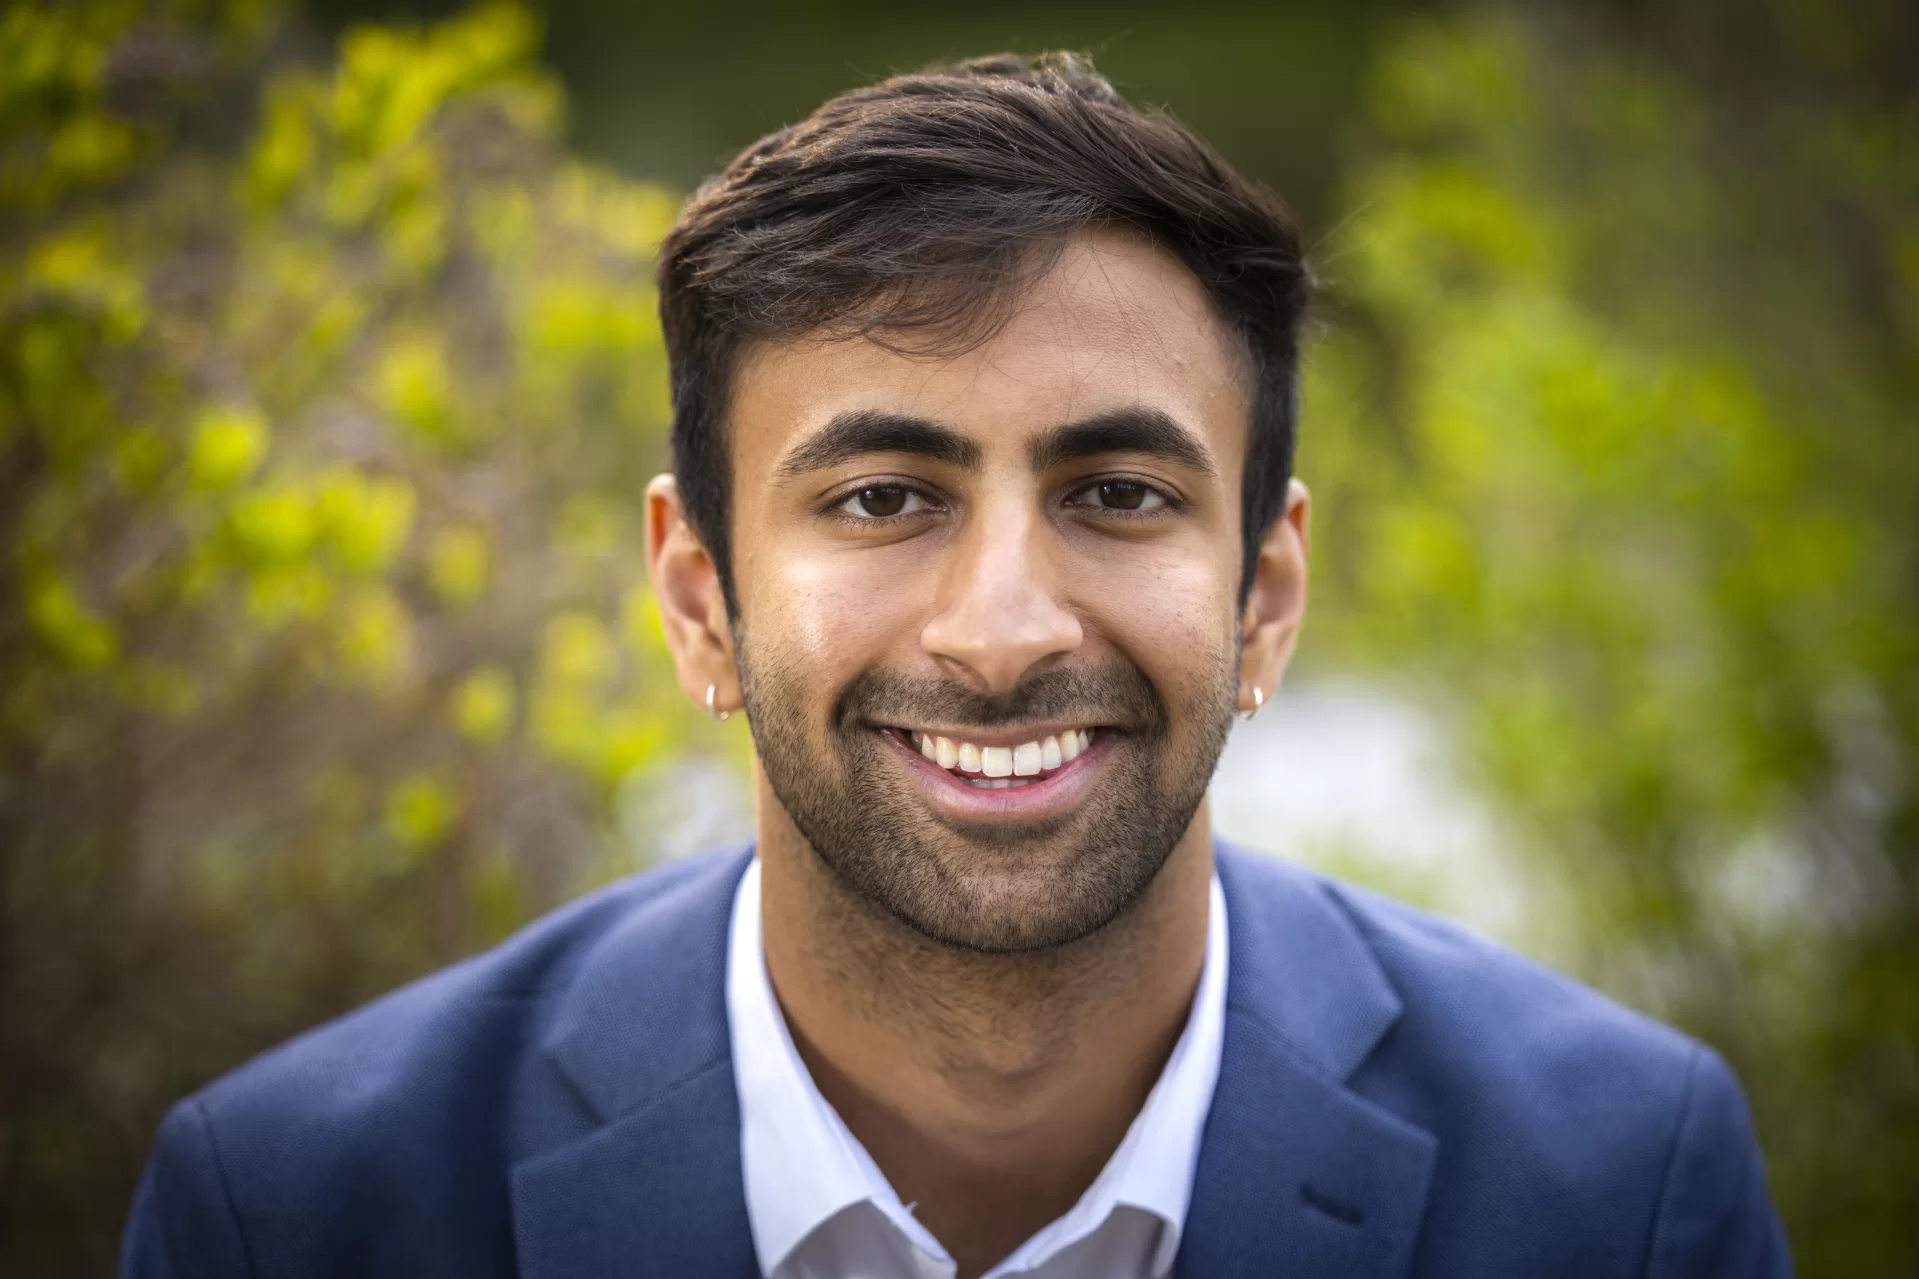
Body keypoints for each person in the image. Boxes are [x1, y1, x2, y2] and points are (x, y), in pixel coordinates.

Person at [121, 52, 1790, 1279]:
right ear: (699, 597)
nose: (1003, 629)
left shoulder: (1615, 1191)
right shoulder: (297, 1211)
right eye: (883, 496)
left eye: (1117, 493)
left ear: (1263, 594)